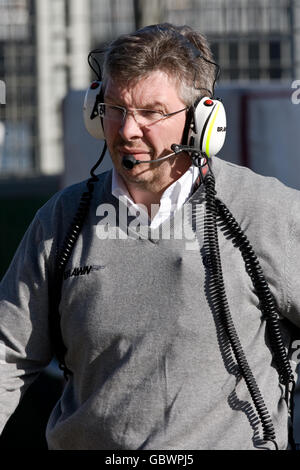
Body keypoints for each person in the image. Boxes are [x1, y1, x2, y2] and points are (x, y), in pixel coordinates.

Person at [0, 22, 300, 451]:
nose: (127, 130)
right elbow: (7, 352)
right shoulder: (61, 221)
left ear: (201, 119)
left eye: (152, 112)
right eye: (116, 108)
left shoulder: (265, 212)